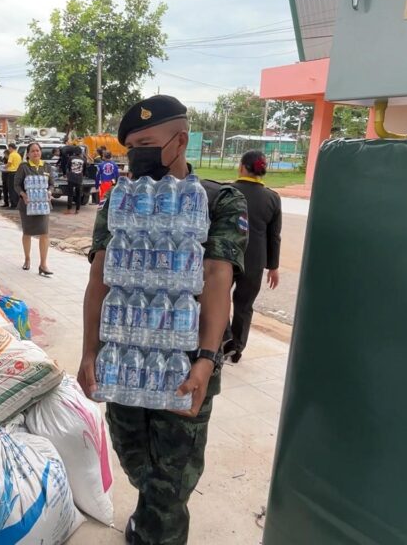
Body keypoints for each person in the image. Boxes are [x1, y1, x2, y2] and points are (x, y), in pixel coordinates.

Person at [78, 95, 249, 545]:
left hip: (186, 361)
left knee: (171, 482)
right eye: (131, 145)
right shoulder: (119, 201)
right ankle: (146, 519)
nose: (137, 154)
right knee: (135, 459)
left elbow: (217, 277)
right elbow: (100, 279)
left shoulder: (218, 201)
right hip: (124, 355)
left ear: (180, 141)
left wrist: (207, 359)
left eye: (147, 143)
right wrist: (89, 353)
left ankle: (155, 532)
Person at [224, 150, 281, 364]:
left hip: (227, 256)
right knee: (244, 304)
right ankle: (237, 349)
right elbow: (274, 235)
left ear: (241, 167)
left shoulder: (228, 191)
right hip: (255, 260)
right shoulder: (272, 198)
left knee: (219, 298)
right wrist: (273, 267)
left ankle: (225, 338)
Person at [13, 141, 55, 276]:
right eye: (33, 151)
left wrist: (50, 192)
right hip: (27, 205)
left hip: (43, 206)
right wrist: (23, 195)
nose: (36, 153)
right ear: (28, 154)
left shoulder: (47, 167)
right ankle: (27, 258)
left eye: (38, 150)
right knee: (27, 233)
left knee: (44, 233)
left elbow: (52, 184)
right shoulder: (23, 167)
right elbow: (16, 185)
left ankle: (43, 264)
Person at [64, 146, 86, 214]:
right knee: (78, 195)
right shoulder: (83, 159)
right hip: (79, 178)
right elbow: (84, 170)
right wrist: (83, 175)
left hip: (71, 178)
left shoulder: (71, 158)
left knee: (70, 194)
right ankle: (77, 210)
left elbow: (68, 167)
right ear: (80, 152)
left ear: (74, 152)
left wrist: (67, 174)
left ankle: (69, 209)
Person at [4, 142, 22, 209]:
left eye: (9, 148)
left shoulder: (12, 155)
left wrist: (4, 167)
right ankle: (17, 204)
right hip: (17, 173)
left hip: (12, 173)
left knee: (11, 189)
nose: (8, 150)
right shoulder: (18, 155)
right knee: (16, 188)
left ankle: (13, 205)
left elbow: (9, 163)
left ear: (11, 148)